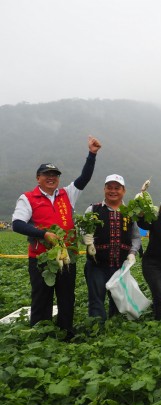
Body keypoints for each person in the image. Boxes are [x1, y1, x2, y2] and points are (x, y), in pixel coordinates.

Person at [11, 136, 101, 338]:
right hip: (41, 258)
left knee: (67, 296)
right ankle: (41, 334)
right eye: (46, 174)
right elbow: (17, 224)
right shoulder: (28, 198)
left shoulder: (67, 194)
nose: (51, 177)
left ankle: (66, 332)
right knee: (41, 296)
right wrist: (44, 234)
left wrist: (92, 155)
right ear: (38, 178)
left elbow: (83, 178)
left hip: (66, 256)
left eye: (55, 175)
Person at [84, 174, 142, 321]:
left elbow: (136, 236)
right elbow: (82, 231)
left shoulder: (129, 212)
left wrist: (133, 252)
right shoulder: (93, 209)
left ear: (124, 190)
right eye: (109, 187)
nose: (113, 191)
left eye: (117, 188)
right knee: (96, 299)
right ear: (104, 189)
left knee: (117, 300)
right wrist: (85, 238)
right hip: (97, 264)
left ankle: (115, 328)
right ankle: (98, 329)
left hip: (120, 266)